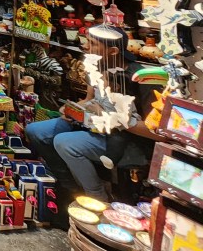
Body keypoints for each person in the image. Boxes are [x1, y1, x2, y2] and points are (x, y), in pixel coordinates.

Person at [24, 39, 159, 202]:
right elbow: (89, 100)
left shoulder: (139, 78)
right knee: (36, 131)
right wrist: (72, 109)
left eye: (93, 43)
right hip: (95, 127)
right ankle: (70, 185)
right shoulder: (95, 68)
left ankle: (97, 196)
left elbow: (158, 132)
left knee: (64, 142)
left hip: (127, 141)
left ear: (113, 51)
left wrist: (116, 119)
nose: (86, 46)